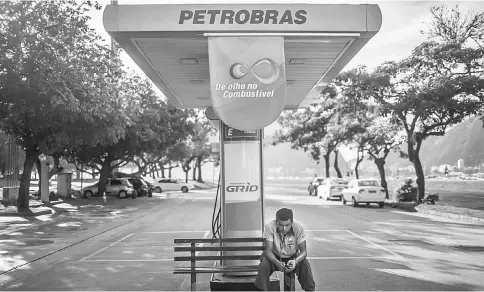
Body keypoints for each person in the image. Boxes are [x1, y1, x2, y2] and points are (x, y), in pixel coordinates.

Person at [254, 208, 316, 291]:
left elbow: (304, 251)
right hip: (273, 256)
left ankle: (310, 290)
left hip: (292, 256)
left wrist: (296, 261)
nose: (284, 228)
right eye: (280, 225)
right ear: (276, 222)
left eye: (287, 225)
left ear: (292, 222)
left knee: (305, 265)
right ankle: (261, 290)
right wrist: (277, 262)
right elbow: (268, 251)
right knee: (263, 266)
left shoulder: (298, 228)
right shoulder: (269, 227)